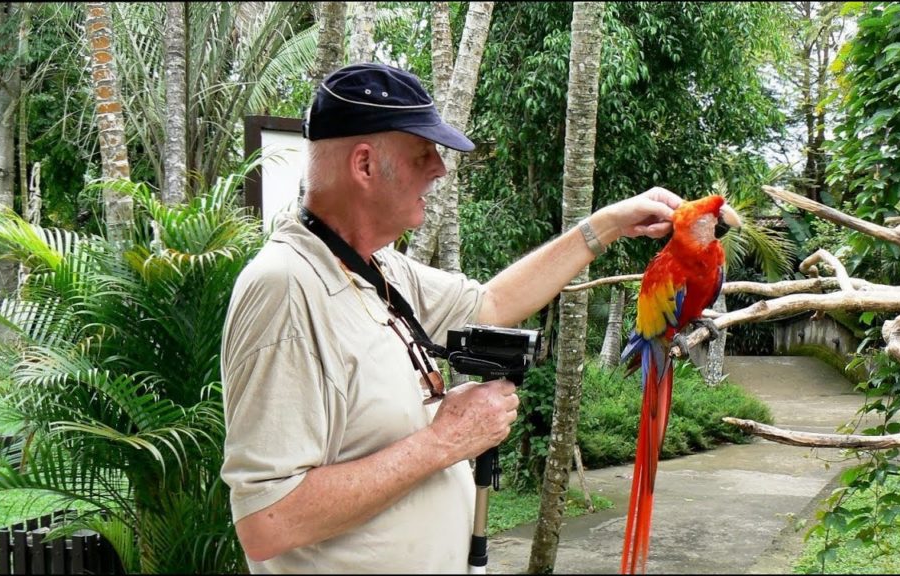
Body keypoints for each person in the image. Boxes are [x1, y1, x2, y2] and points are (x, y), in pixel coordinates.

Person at [220, 62, 683, 574]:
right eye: (423, 154)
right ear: (365, 165)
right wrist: (445, 441)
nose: (439, 169)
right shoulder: (287, 289)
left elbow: (488, 304)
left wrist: (606, 227)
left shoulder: (376, 266)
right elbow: (268, 521)